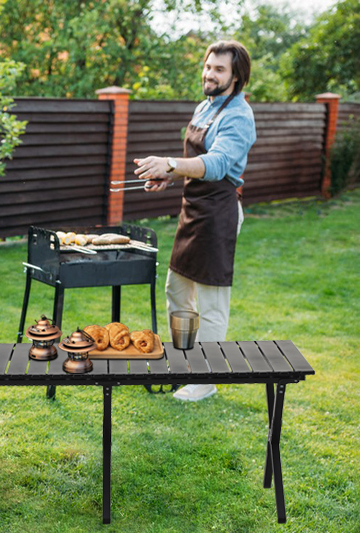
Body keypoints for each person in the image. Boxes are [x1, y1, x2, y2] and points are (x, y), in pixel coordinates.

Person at [134, 40, 256, 402]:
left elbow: (217, 164)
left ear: (236, 77)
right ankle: (186, 365)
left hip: (218, 212)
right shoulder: (205, 107)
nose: (209, 73)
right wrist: (169, 177)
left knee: (212, 300)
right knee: (176, 289)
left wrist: (170, 164)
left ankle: (206, 379)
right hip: (193, 209)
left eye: (219, 69)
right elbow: (195, 165)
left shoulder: (238, 116)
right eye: (208, 66)